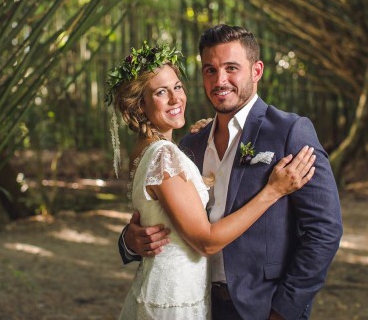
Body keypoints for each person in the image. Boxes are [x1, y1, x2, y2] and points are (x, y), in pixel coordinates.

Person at [119, 26, 343, 320]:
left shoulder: (289, 132)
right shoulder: (190, 145)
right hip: (200, 303)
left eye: (231, 68)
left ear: (257, 70)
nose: (219, 80)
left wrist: (284, 311)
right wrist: (129, 241)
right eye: (210, 70)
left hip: (263, 306)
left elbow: (324, 230)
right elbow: (167, 216)